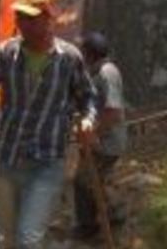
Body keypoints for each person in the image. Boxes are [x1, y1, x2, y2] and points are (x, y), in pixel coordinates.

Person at [0, 0, 98, 249]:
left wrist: (88, 120)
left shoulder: (69, 58)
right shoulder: (7, 53)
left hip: (46, 163)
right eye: (19, 17)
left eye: (30, 17)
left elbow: (88, 97)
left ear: (49, 19)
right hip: (7, 159)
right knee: (11, 239)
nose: (23, 23)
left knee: (28, 239)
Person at [72, 31, 128, 241]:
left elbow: (113, 112)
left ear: (90, 53)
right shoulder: (98, 73)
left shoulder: (107, 73)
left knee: (84, 181)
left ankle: (95, 225)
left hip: (106, 142)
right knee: (93, 181)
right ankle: (105, 219)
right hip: (99, 141)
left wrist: (93, 133)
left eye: (84, 51)